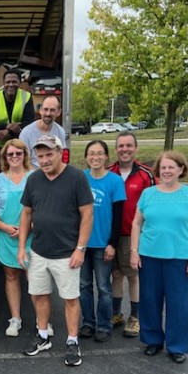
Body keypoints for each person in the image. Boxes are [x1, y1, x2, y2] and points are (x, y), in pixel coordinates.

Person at [17, 135, 93, 366]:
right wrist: (22, 247)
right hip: (39, 251)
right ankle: (42, 336)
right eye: (40, 156)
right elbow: (26, 213)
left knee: (70, 299)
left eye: (49, 154)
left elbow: (87, 214)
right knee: (39, 295)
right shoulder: (34, 179)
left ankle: (72, 341)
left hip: (67, 253)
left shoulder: (76, 177)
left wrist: (80, 248)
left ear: (60, 152)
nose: (44, 160)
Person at [130, 151, 188, 364]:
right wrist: (134, 252)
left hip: (179, 258)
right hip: (149, 256)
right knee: (149, 301)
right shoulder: (148, 194)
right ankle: (152, 340)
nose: (166, 171)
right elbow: (136, 223)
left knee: (178, 303)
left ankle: (177, 345)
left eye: (171, 167)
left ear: (181, 169)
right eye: (163, 167)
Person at [108, 132, 155, 337]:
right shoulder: (109, 172)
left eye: (129, 146)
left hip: (133, 236)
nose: (124, 149)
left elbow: (154, 205)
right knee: (115, 275)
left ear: (136, 148)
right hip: (111, 236)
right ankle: (116, 313)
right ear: (116, 149)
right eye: (121, 146)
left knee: (133, 276)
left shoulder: (146, 174)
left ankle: (135, 316)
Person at [79, 140, 126, 343]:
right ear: (86, 157)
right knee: (83, 285)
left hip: (102, 244)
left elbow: (118, 216)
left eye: (99, 153)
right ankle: (88, 323)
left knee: (104, 288)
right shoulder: (81, 178)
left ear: (106, 156)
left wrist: (112, 244)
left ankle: (104, 325)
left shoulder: (114, 181)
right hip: (82, 243)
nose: (95, 157)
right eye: (91, 153)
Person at [0, 139, 33, 337]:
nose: (14, 157)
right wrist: (5, 227)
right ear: (5, 157)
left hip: (32, 235)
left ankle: (42, 320)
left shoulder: (34, 177)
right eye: (10, 154)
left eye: (18, 153)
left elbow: (42, 207)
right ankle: (15, 319)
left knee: (35, 278)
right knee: (11, 276)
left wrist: (28, 227)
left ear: (25, 155)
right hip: (6, 235)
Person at [0, 68, 34, 181]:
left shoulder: (27, 97)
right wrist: (6, 126)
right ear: (3, 83)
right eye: (8, 82)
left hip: (17, 143)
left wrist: (10, 132)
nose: (11, 84)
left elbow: (29, 123)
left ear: (19, 83)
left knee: (19, 175)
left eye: (14, 82)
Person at [19, 95, 68, 168]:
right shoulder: (26, 133)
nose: (48, 113)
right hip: (33, 174)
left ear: (58, 112)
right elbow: (24, 162)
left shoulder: (60, 131)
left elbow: (62, 158)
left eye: (52, 110)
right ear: (40, 110)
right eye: (45, 109)